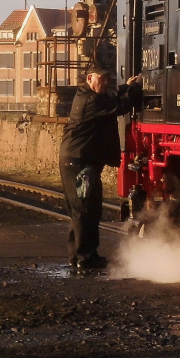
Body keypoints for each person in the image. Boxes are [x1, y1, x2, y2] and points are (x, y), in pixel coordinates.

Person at [59, 70, 142, 270]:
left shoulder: (88, 96)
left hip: (77, 159)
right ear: (90, 78)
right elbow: (120, 105)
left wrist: (124, 87)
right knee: (86, 209)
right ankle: (86, 258)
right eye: (102, 79)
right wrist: (135, 88)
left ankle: (77, 256)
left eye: (108, 80)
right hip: (80, 162)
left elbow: (110, 98)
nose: (106, 83)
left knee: (80, 210)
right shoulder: (91, 102)